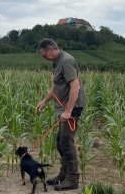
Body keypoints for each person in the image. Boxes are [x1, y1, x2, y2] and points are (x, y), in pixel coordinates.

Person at [35, 38, 87, 191]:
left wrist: (69, 110)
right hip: (65, 108)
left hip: (72, 107)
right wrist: (44, 101)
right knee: (60, 141)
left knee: (66, 142)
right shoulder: (57, 63)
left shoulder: (66, 61)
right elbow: (56, 87)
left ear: (51, 49)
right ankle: (63, 175)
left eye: (45, 55)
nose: (45, 58)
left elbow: (75, 86)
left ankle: (72, 179)